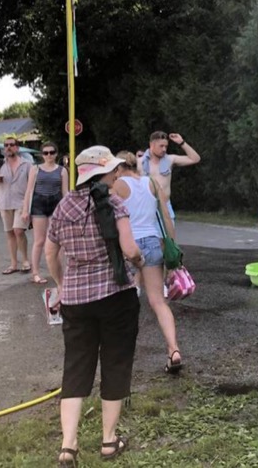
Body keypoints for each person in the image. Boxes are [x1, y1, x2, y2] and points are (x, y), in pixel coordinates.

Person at [45, 146, 145, 466]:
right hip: (116, 296)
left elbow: (50, 253)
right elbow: (130, 250)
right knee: (115, 363)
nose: (117, 174)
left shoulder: (63, 206)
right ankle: (108, 441)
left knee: (76, 366)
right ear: (103, 173)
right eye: (113, 170)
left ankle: (68, 446)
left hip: (76, 301)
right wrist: (139, 263)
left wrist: (62, 284)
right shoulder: (114, 204)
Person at [114, 151, 183, 374]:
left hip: (129, 245)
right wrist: (171, 246)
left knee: (122, 298)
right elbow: (166, 216)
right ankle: (173, 349)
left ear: (119, 167)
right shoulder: (152, 183)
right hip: (153, 242)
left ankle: (121, 352)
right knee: (158, 301)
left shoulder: (118, 185)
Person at [21, 142, 68, 284]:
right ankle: (35, 272)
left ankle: (59, 273)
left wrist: (67, 211)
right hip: (39, 205)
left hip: (56, 205)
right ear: (42, 155)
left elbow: (65, 192)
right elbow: (29, 190)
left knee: (57, 241)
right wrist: (25, 210)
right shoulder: (35, 169)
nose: (49, 155)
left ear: (56, 154)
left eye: (52, 152)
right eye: (46, 153)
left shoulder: (62, 170)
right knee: (39, 241)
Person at [138, 131, 200, 228]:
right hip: (146, 207)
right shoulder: (139, 162)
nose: (164, 149)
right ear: (152, 144)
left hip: (165, 205)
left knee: (169, 237)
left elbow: (195, 159)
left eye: (166, 146)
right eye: (161, 146)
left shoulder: (170, 159)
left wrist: (181, 142)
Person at [0, 136, 33, 275]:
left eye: (11, 144)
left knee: (19, 231)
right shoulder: (0, 163)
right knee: (10, 233)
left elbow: (32, 185)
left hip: (21, 202)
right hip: (5, 202)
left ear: (17, 147)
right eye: (6, 145)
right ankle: (13, 263)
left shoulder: (27, 164)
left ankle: (25, 260)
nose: (8, 147)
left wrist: (29, 205)